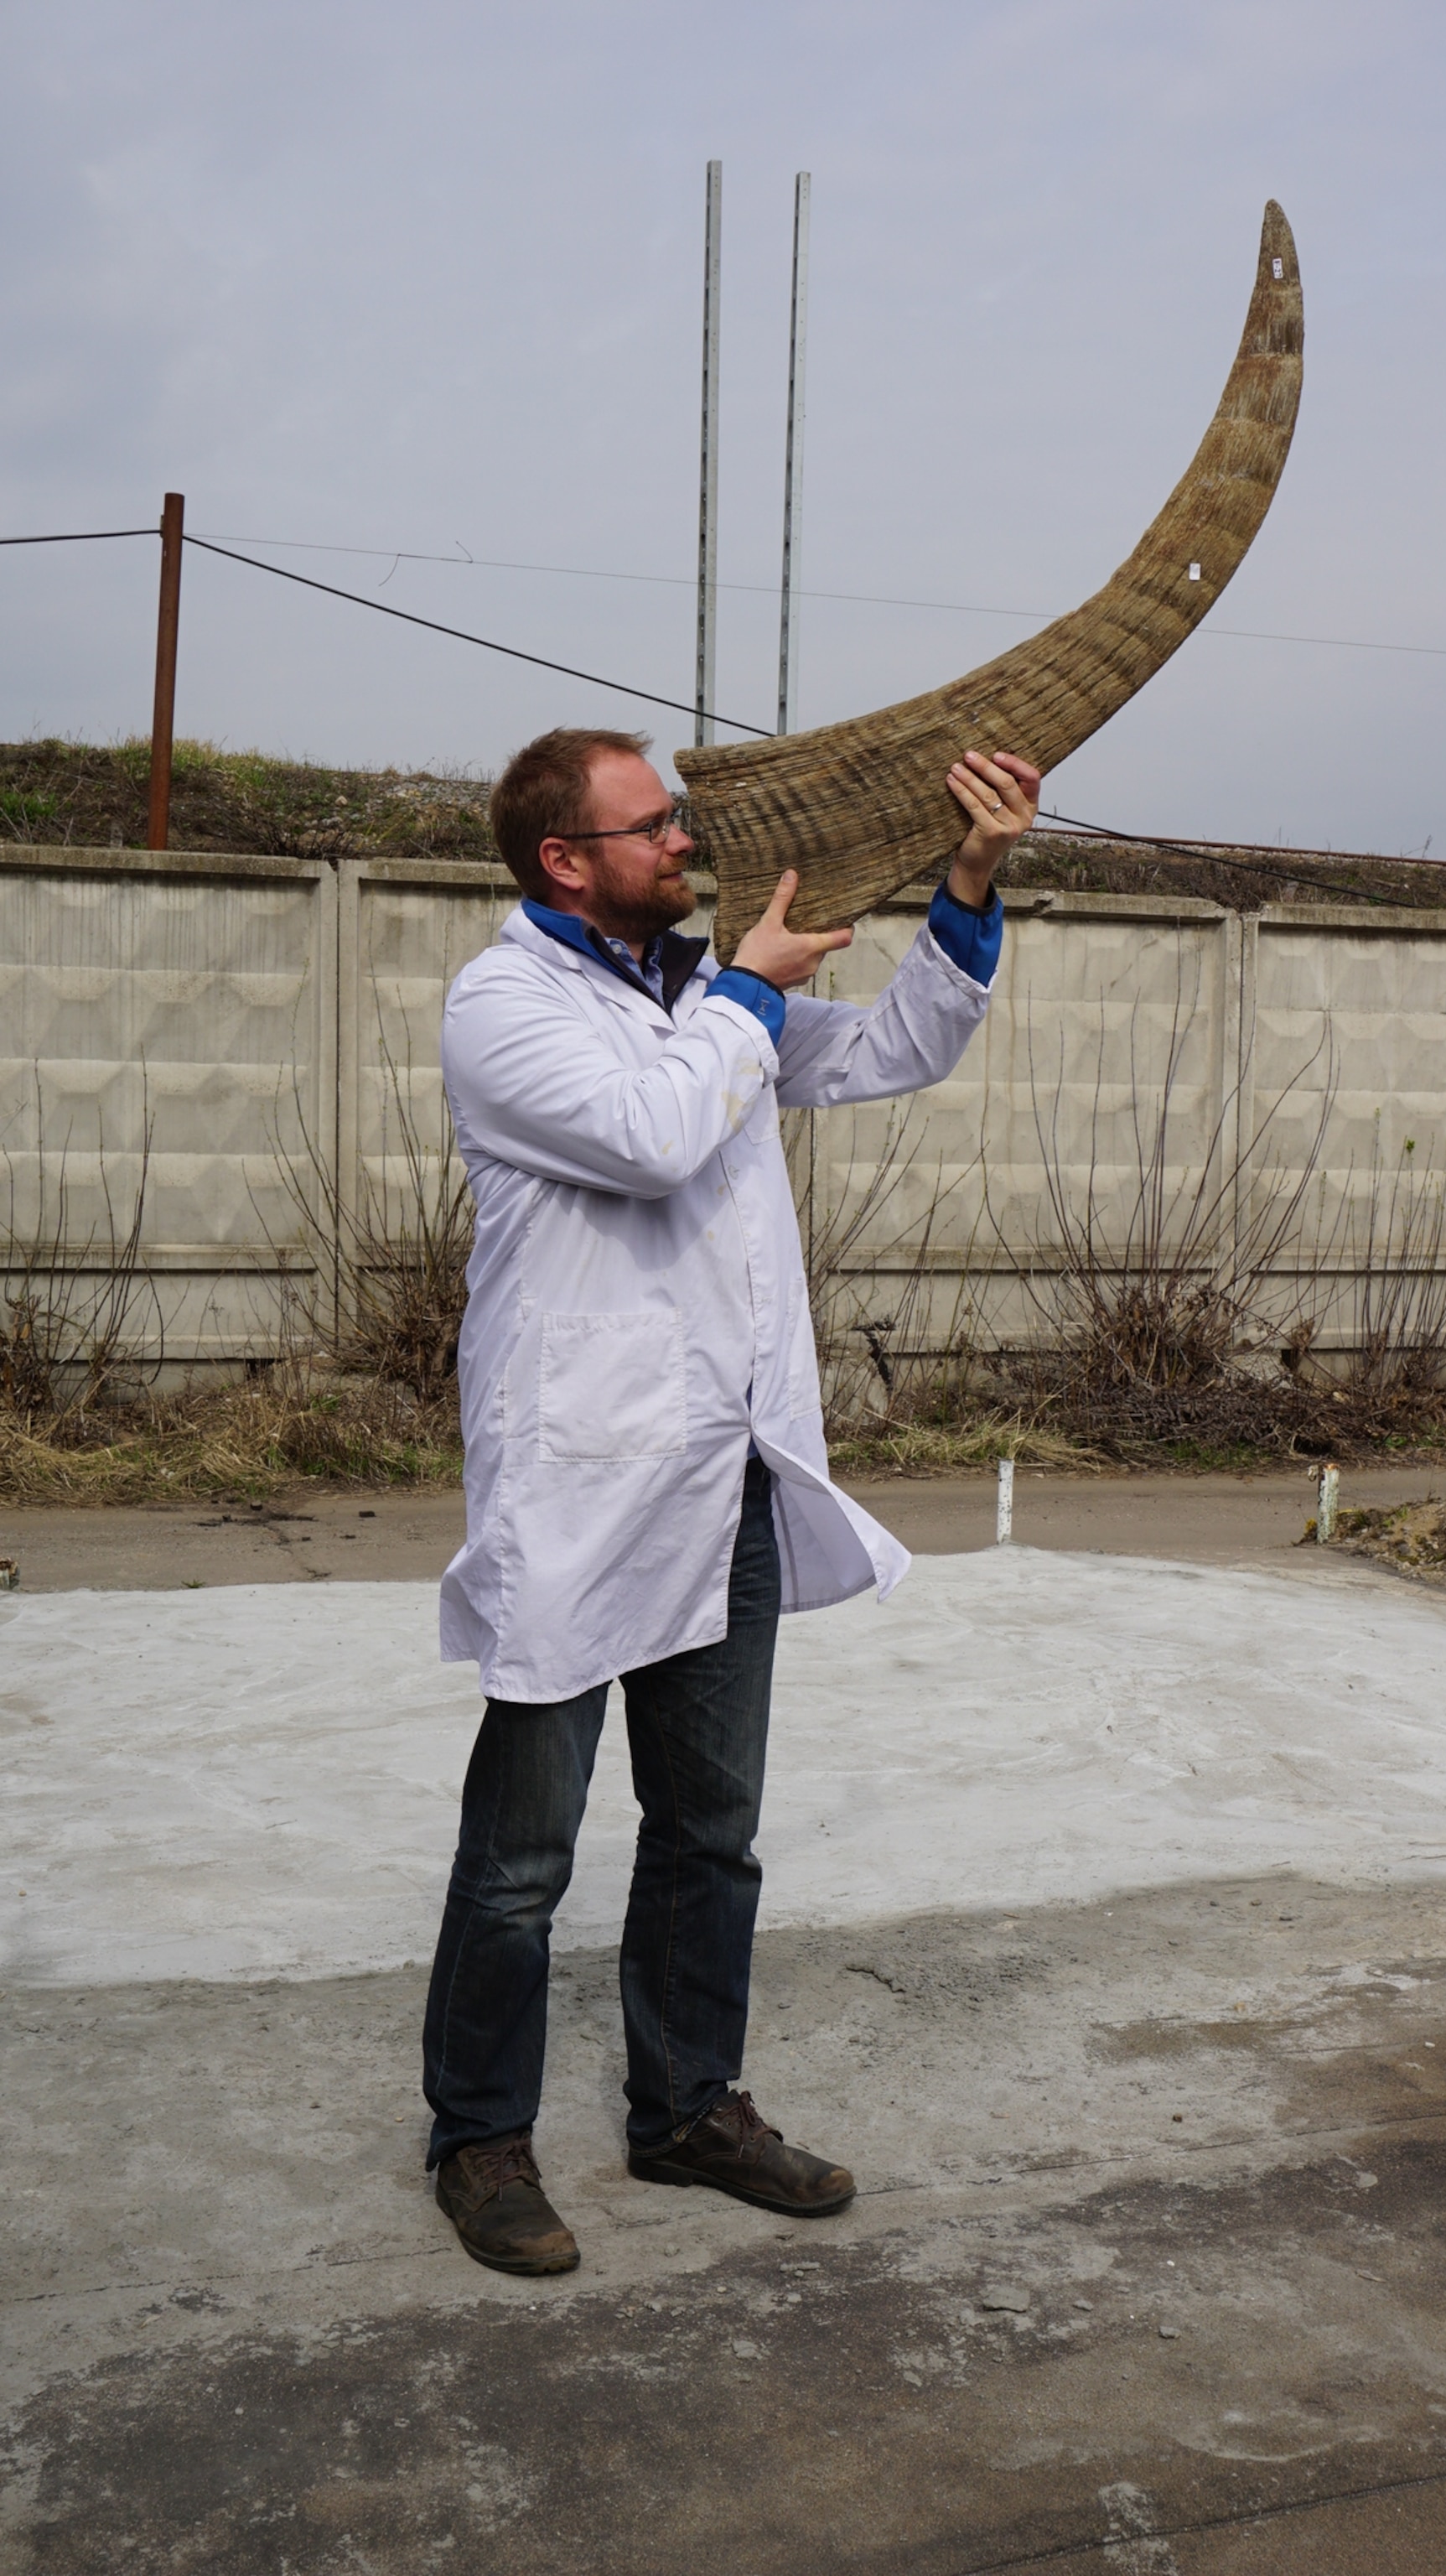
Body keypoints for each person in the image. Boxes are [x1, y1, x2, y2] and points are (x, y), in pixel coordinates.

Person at [424, 722, 1039, 2274]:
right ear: (567, 860)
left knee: (711, 1829)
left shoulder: (709, 997)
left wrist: (967, 877)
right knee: (524, 1853)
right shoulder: (504, 1005)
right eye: (655, 829)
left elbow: (898, 1049)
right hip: (576, 1481)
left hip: (725, 1473)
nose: (684, 845)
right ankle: (481, 2139)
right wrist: (754, 987)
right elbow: (650, 1137)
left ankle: (688, 2106)